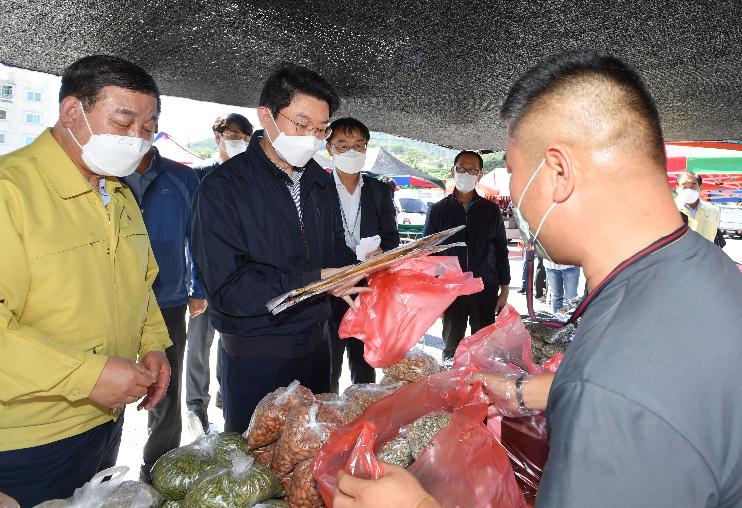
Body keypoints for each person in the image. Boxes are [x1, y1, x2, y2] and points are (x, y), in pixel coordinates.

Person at [334, 51, 742, 508]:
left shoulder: (612, 393)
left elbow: (621, 389)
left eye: (511, 171)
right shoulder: (707, 273)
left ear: (558, 172)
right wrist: (520, 391)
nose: (511, 191)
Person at [0, 55, 171, 505]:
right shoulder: (10, 192)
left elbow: (141, 285)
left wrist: (153, 344)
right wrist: (88, 375)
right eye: (124, 120)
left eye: (148, 127)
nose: (137, 138)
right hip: (26, 441)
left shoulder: (118, 194)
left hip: (104, 425)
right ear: (72, 111)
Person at [191, 63, 364, 434]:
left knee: (311, 463)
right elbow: (228, 289)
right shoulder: (224, 187)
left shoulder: (320, 181)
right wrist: (313, 282)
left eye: (320, 130)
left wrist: (362, 265)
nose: (312, 138)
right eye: (301, 125)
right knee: (255, 472)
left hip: (318, 352)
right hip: (256, 357)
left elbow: (334, 251)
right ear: (265, 116)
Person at [123, 140, 204, 482]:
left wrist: (198, 288)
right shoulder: (104, 171)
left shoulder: (182, 178)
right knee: (107, 386)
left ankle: (158, 472)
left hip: (168, 300)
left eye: (148, 123)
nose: (138, 132)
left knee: (166, 392)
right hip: (113, 304)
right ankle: (96, 478)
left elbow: (197, 237)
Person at [185, 112, 253, 433]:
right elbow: (193, 236)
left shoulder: (250, 181)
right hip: (205, 279)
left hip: (239, 283)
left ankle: (227, 398)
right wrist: (197, 287)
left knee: (233, 344)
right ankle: (196, 406)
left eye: (244, 136)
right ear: (218, 136)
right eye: (232, 134)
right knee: (199, 345)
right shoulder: (200, 177)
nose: (237, 141)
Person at [326, 117, 400, 393]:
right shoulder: (317, 188)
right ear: (329, 149)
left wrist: (383, 252)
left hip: (368, 289)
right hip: (329, 291)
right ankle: (326, 421)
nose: (352, 152)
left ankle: (363, 421)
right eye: (343, 145)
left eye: (359, 145)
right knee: (327, 366)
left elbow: (393, 237)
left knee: (364, 368)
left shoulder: (380, 189)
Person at [423, 151, 511, 360]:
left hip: (485, 287)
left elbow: (500, 249)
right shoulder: (438, 210)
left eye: (472, 170)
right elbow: (428, 255)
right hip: (451, 290)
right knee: (452, 348)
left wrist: (505, 289)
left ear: (480, 175)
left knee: (484, 349)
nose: (466, 174)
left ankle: (480, 390)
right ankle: (451, 390)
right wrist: (433, 293)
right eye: (462, 169)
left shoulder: (491, 211)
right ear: (453, 171)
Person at [193, 113, 253, 179]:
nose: (242, 142)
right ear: (218, 137)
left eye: (247, 139)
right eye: (235, 136)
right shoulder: (199, 173)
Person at [676, 172, 726, 247]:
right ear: (677, 187)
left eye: (693, 185)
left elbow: (714, 236)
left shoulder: (712, 209)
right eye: (684, 185)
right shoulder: (669, 208)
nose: (689, 189)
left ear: (700, 188)